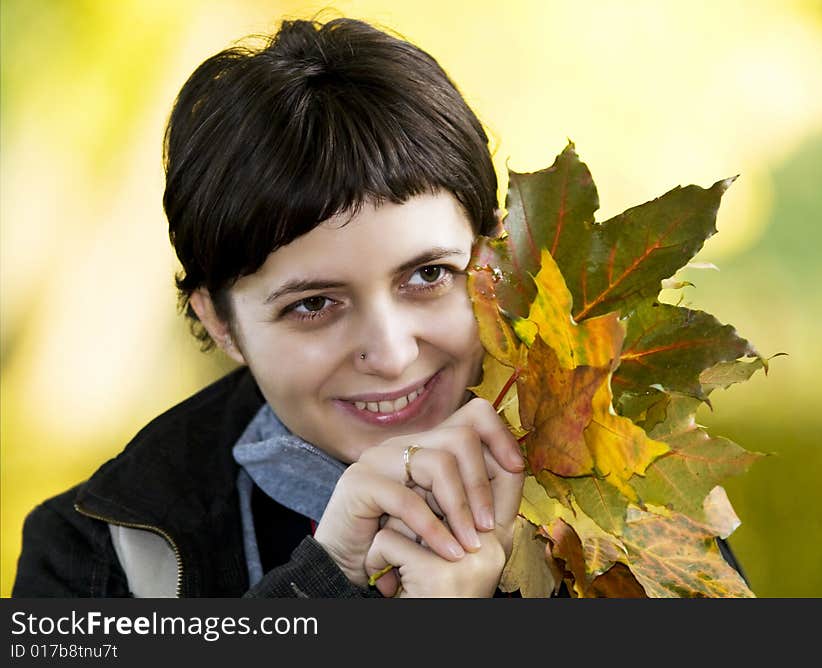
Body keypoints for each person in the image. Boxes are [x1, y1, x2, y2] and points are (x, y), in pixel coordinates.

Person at [12, 16, 528, 598]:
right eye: (313, 304)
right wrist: (323, 583)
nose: (390, 354)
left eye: (429, 274)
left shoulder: (632, 498)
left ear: (496, 262)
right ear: (221, 324)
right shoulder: (94, 559)